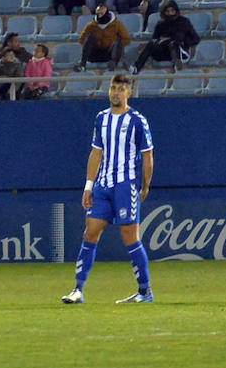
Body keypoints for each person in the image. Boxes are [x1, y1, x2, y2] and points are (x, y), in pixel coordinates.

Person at [61, 74, 155, 305]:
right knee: (90, 232)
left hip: (126, 185)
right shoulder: (101, 118)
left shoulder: (137, 120)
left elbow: (148, 156)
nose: (116, 92)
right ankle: (78, 290)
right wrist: (88, 186)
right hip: (103, 185)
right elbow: (96, 153)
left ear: (129, 93)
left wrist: (145, 185)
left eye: (121, 89)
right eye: (113, 88)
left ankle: (145, 291)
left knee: (129, 236)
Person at [130, 0, 200, 73]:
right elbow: (155, 38)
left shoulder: (184, 22)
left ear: (176, 11)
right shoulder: (161, 24)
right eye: (168, 11)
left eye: (172, 11)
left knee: (173, 43)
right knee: (151, 44)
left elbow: (195, 38)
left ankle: (177, 63)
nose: (170, 13)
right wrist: (159, 41)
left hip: (178, 48)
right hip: (164, 51)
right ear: (164, 12)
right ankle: (136, 68)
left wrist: (183, 42)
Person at [75, 4, 132, 71]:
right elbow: (82, 39)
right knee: (89, 38)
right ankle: (82, 65)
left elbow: (127, 39)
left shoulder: (117, 24)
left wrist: (113, 43)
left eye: (102, 14)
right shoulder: (91, 25)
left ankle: (113, 64)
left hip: (109, 54)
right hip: (95, 54)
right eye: (98, 14)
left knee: (118, 41)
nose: (100, 16)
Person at [0, 32, 32, 100]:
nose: (19, 44)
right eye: (16, 41)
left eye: (19, 41)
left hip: (16, 85)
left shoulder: (22, 52)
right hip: (0, 84)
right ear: (9, 43)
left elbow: (34, 61)